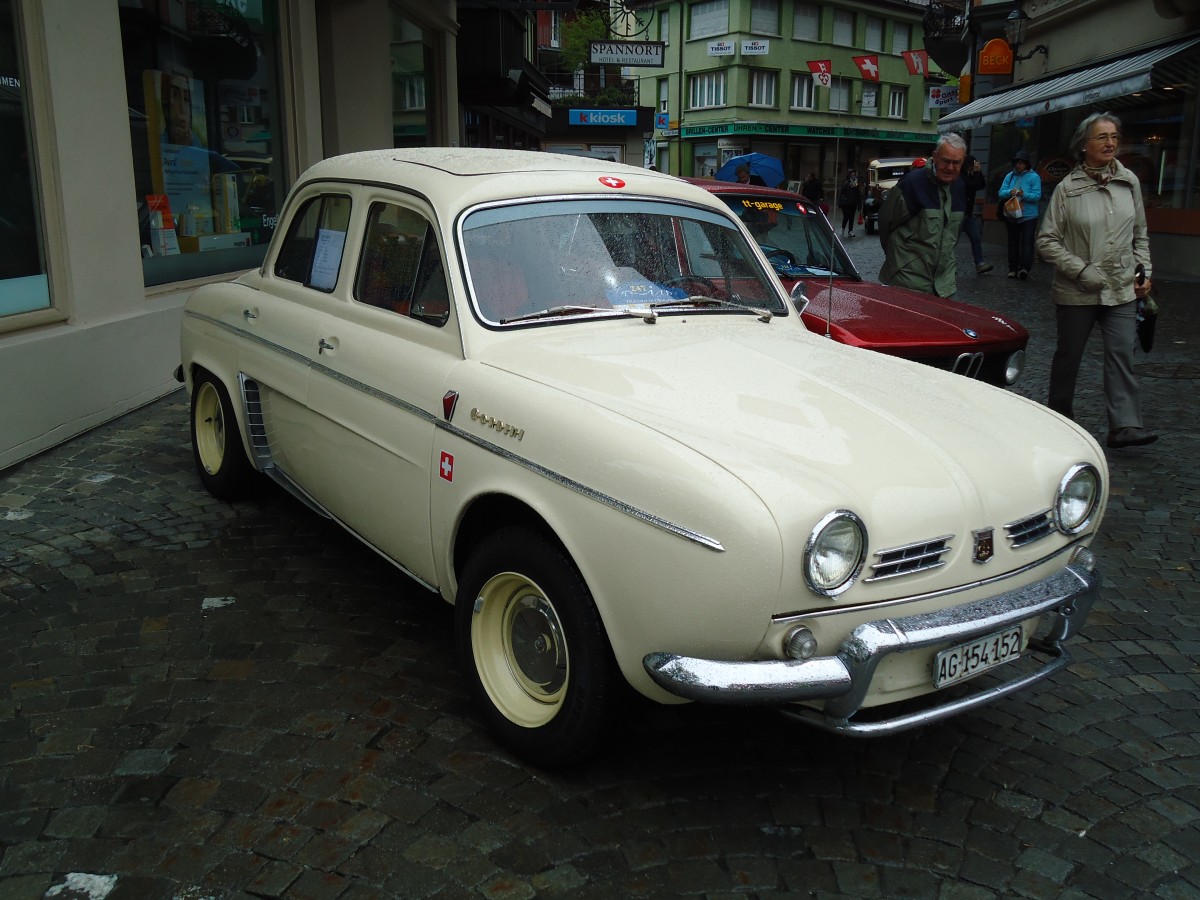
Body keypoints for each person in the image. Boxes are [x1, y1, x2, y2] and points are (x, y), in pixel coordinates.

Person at [1036, 112, 1157, 449]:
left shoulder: (1128, 181)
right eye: (1102, 137)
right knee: (1068, 355)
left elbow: (1140, 235)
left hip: (1121, 287)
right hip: (1077, 289)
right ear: (1083, 145)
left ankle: (1125, 425)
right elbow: (1046, 241)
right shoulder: (1067, 189)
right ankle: (1059, 418)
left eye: (1114, 137)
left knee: (1122, 354)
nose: (1110, 143)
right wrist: (1081, 270)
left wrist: (1144, 272)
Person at [878, 132, 967, 298]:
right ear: (935, 157)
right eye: (946, 161)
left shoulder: (960, 187)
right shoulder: (912, 184)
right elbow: (886, 223)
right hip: (907, 280)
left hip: (944, 284)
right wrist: (897, 261)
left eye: (956, 163)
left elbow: (954, 233)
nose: (950, 167)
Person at [999, 150, 1041, 279]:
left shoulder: (1034, 177)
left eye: (1021, 163)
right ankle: (1012, 269)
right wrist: (1009, 192)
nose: (1019, 165)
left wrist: (1024, 194)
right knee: (1013, 243)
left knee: (1027, 243)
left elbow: (1037, 196)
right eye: (1017, 162)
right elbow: (1001, 193)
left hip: (1028, 215)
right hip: (1012, 214)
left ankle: (1024, 268)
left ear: (1027, 164)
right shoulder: (1010, 176)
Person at [959, 154, 992, 274]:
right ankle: (947, 265)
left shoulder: (971, 175)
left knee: (976, 238)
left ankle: (980, 264)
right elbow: (972, 186)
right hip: (959, 214)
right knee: (952, 242)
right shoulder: (961, 176)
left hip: (968, 215)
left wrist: (979, 172)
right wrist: (977, 173)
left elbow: (981, 185)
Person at [836, 172, 861, 238]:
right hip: (846, 203)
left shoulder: (856, 184)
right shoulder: (846, 183)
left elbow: (858, 194)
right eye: (852, 175)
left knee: (852, 217)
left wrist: (859, 204)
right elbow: (841, 192)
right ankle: (842, 229)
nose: (854, 176)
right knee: (846, 216)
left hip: (853, 203)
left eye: (855, 175)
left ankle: (850, 231)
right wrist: (839, 202)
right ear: (849, 176)